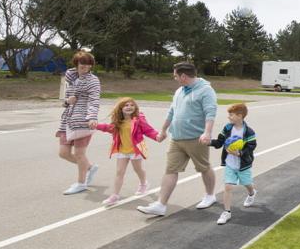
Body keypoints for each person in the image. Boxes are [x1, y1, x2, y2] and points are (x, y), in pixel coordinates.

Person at [137, 62, 217, 216]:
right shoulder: (180, 90)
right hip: (177, 138)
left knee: (204, 167)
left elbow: (210, 112)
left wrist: (207, 132)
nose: (174, 78)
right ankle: (161, 205)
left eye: (175, 75)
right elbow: (172, 111)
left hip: (196, 138)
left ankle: (210, 195)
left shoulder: (206, 90)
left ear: (183, 76)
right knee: (170, 170)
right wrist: (163, 129)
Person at [94, 97, 161, 206]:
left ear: (135, 107)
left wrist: (157, 136)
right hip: (122, 150)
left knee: (138, 169)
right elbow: (109, 128)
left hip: (136, 149)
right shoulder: (118, 121)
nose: (129, 107)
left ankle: (144, 183)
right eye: (126, 105)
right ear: (121, 108)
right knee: (119, 172)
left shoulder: (139, 119)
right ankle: (114, 196)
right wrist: (96, 125)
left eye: (131, 105)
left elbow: (148, 130)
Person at [57, 51, 101, 195]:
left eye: (88, 65)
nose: (85, 67)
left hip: (83, 120)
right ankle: (89, 167)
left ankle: (81, 183)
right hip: (68, 120)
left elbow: (94, 100)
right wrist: (67, 101)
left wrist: (92, 117)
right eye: (82, 64)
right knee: (63, 153)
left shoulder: (93, 80)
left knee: (80, 154)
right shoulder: (70, 78)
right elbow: (64, 100)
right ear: (76, 64)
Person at [208, 102, 258, 224]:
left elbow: (252, 146)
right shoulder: (227, 128)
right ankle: (227, 212)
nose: (228, 117)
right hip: (230, 163)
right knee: (228, 186)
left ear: (240, 116)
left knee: (246, 183)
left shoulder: (249, 132)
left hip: (243, 164)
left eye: (231, 115)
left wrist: (240, 153)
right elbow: (220, 142)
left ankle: (252, 193)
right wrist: (209, 142)